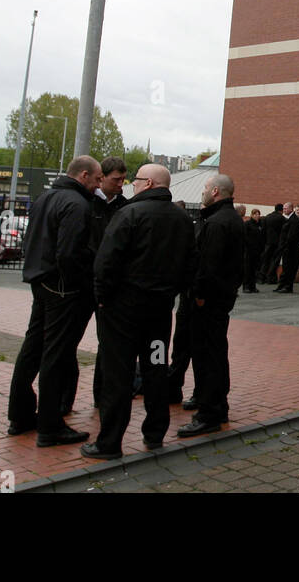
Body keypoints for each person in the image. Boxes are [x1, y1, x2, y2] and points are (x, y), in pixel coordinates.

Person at [83, 164, 195, 459]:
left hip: (123, 312)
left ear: (147, 183)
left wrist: (103, 298)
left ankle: (109, 442)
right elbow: (190, 266)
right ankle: (155, 432)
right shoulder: (182, 219)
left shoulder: (129, 214)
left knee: (117, 373)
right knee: (156, 367)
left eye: (135, 181)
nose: (131, 185)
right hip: (158, 313)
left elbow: (106, 262)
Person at [7, 156, 101, 447]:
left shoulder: (45, 198)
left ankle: (20, 415)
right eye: (97, 179)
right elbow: (69, 253)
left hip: (41, 281)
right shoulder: (76, 204)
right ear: (84, 175)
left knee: (33, 347)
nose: (98, 185)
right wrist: (79, 283)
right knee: (56, 354)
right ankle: (49, 425)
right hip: (62, 288)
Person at [178, 173, 246, 437]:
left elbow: (208, 265)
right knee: (215, 353)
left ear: (216, 191)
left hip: (209, 301)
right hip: (220, 298)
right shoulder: (230, 220)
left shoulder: (218, 223)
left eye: (206, 188)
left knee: (208, 355)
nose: (203, 192)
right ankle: (216, 405)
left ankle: (209, 412)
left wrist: (199, 294)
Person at [81, 157, 130, 410]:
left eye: (124, 179)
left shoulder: (125, 206)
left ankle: (102, 395)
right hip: (85, 281)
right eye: (116, 179)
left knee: (108, 342)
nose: (121, 184)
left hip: (110, 284)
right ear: (104, 178)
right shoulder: (87, 203)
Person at [275, 202, 299, 292]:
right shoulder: (289, 219)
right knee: (286, 268)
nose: (284, 210)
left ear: (291, 209)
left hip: (290, 249)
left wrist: (285, 246)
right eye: (283, 208)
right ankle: (282, 285)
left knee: (289, 268)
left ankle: (288, 287)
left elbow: (291, 236)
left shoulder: (294, 220)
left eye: (285, 208)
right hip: (287, 248)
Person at [259, 203, 284, 284]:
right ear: (281, 210)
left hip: (268, 242)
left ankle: (261, 277)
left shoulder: (267, 217)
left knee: (266, 260)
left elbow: (263, 230)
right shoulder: (282, 218)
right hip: (277, 243)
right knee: (275, 261)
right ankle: (271, 278)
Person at [242, 208, 263, 292]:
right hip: (249, 250)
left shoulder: (260, 225)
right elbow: (244, 236)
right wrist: (248, 245)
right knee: (248, 269)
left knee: (254, 269)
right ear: (252, 215)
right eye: (255, 214)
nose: (257, 216)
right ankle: (246, 286)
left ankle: (252, 286)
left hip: (257, 250)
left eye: (258, 214)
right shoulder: (247, 224)